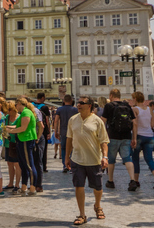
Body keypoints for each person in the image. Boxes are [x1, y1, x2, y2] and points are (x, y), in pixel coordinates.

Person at [65, 96, 109, 226]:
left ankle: (97, 205)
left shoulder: (97, 121)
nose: (78, 105)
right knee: (79, 186)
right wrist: (67, 157)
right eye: (78, 102)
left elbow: (104, 141)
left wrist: (105, 157)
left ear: (89, 105)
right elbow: (69, 139)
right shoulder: (73, 120)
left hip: (94, 160)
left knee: (98, 187)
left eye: (81, 103)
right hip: (77, 159)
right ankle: (82, 214)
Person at [100, 89, 137, 191]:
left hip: (112, 136)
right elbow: (134, 123)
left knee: (111, 160)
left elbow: (102, 121)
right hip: (126, 136)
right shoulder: (127, 106)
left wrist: (100, 135)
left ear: (111, 95)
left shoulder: (109, 106)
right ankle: (132, 180)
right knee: (127, 159)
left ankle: (111, 181)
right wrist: (134, 138)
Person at [5, 96, 40, 195]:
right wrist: (7, 127)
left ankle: (32, 188)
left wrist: (10, 131)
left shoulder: (26, 112)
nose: (15, 106)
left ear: (19, 104)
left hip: (26, 140)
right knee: (23, 165)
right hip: (22, 140)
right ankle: (24, 186)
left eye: (16, 104)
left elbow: (23, 128)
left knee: (29, 165)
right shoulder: (23, 113)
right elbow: (18, 126)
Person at [130, 91, 154, 189]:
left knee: (135, 159)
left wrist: (133, 138)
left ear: (135, 99)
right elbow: (152, 125)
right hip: (150, 136)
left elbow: (134, 124)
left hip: (138, 135)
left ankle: (136, 180)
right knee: (149, 159)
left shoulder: (134, 109)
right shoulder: (149, 109)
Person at [54, 94, 79, 173]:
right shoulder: (75, 110)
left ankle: (65, 165)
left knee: (64, 148)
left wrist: (55, 131)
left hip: (63, 131)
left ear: (64, 101)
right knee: (72, 148)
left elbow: (56, 120)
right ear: (71, 101)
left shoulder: (60, 109)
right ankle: (71, 165)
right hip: (73, 131)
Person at [3, 100, 21, 191]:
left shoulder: (19, 117)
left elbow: (19, 127)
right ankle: (10, 183)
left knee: (17, 164)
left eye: (9, 109)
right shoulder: (6, 117)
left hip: (16, 143)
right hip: (8, 143)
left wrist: (7, 128)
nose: (8, 111)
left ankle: (17, 184)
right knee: (9, 164)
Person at [34, 92, 52, 173]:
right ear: (42, 98)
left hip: (33, 130)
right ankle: (43, 166)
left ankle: (34, 164)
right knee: (43, 149)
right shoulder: (44, 107)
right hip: (42, 130)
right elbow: (47, 120)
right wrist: (48, 131)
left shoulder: (32, 106)